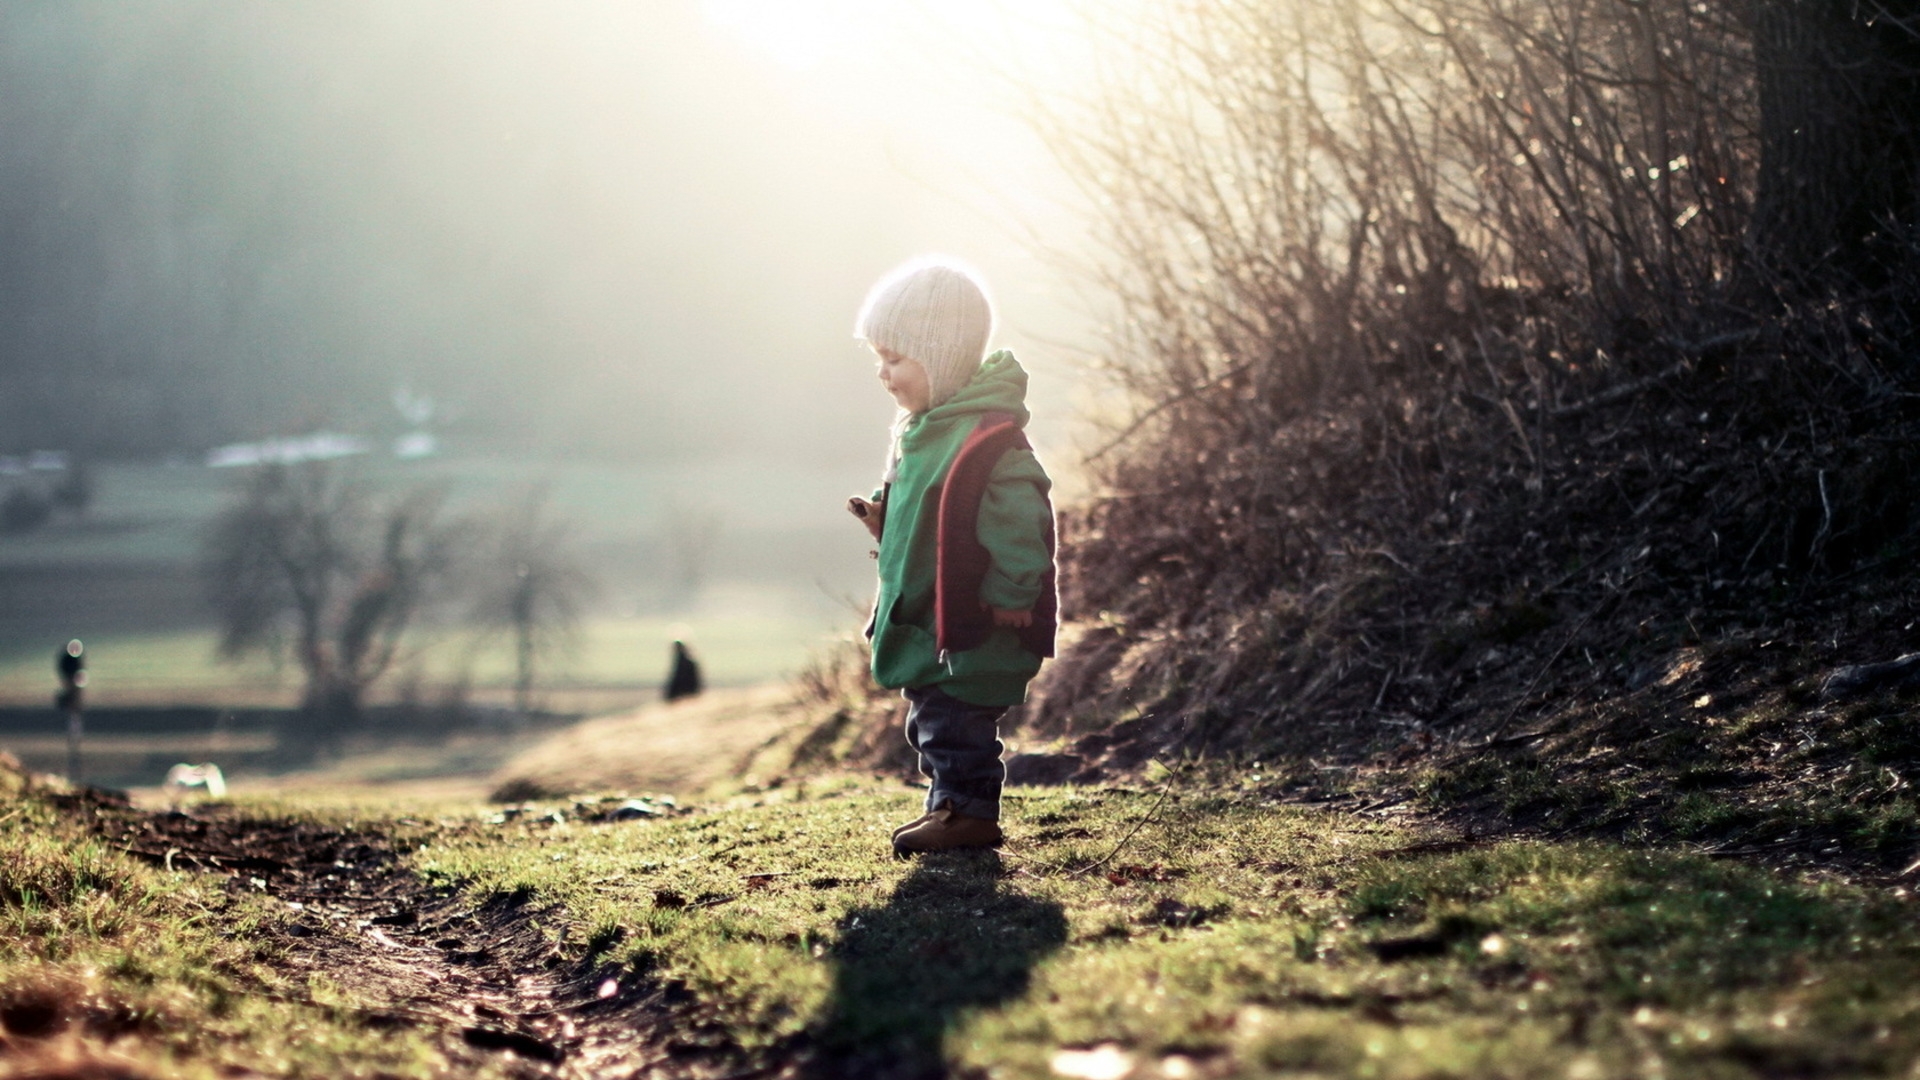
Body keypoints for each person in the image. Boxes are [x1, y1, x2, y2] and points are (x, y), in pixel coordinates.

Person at [846, 258, 1057, 855]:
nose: (884, 374)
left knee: (956, 725)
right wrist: (886, 519)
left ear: (939, 356)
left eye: (896, 358)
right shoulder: (922, 430)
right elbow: (925, 506)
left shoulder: (986, 441)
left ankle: (968, 813)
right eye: (878, 359)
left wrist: (1014, 594)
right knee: (931, 720)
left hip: (973, 624)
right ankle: (948, 807)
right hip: (929, 618)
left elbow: (1021, 523)